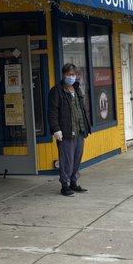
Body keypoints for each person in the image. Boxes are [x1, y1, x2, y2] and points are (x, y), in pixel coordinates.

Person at [48, 63, 91, 196]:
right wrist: (56, 129)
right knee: (67, 159)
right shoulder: (56, 91)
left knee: (77, 158)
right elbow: (52, 112)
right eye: (68, 74)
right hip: (65, 132)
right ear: (63, 75)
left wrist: (86, 126)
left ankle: (74, 182)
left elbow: (82, 108)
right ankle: (65, 185)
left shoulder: (77, 89)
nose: (71, 77)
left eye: (73, 74)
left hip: (79, 130)